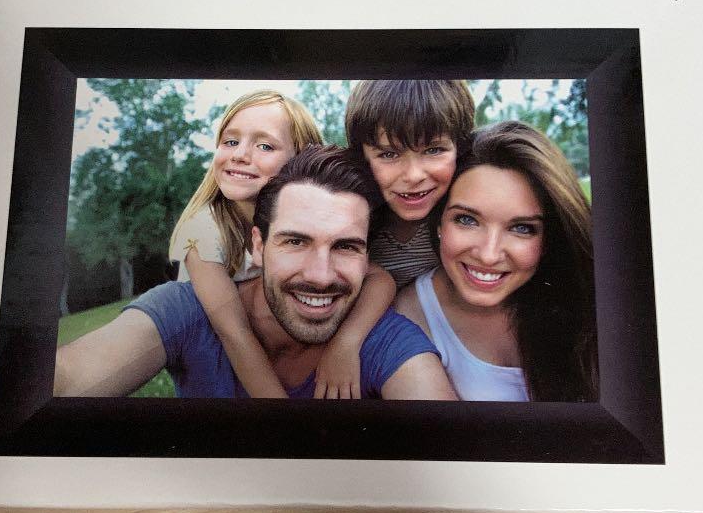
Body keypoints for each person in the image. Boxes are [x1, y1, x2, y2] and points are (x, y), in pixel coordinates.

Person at [55, 146, 456, 401]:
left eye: (346, 246)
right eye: (295, 241)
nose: (320, 276)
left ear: (368, 256)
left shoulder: (383, 338)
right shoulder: (187, 311)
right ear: (258, 246)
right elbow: (68, 378)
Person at [168, 90, 395, 399]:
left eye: (264, 146)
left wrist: (345, 344)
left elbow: (380, 278)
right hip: (220, 361)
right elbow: (235, 334)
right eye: (230, 141)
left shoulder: (311, 219)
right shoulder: (204, 231)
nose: (240, 155)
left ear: (299, 156)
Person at [395, 121, 597, 402]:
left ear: (549, 238)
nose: (489, 255)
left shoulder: (590, 304)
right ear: (439, 223)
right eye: (467, 220)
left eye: (522, 228)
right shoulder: (408, 317)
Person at [345, 79, 475, 288]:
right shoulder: (348, 222)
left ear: (460, 149)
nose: (414, 176)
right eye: (389, 154)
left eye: (433, 150)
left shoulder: (472, 221)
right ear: (361, 158)